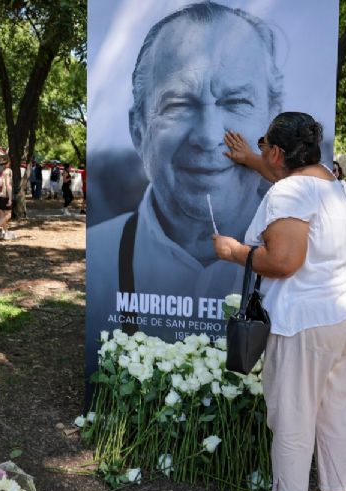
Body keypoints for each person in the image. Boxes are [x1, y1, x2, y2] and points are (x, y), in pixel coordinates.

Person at [213, 112, 346, 491]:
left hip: (306, 322)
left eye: (266, 145)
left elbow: (283, 261)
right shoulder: (331, 183)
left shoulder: (287, 193)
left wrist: (233, 251)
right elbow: (287, 178)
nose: (262, 152)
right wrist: (251, 158)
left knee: (294, 414)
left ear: (279, 151)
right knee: (334, 411)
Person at [87, 3, 281, 311]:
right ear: (139, 130)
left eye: (236, 101)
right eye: (178, 104)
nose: (207, 136)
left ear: (272, 122)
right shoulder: (100, 258)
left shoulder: (301, 263)